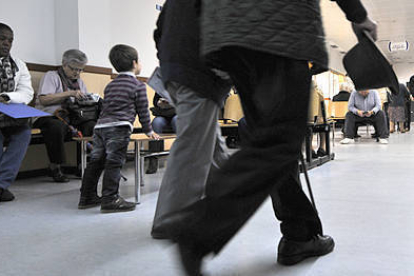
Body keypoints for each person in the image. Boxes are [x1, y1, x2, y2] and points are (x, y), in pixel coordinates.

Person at [160, 0, 378, 275]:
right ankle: (198, 227)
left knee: (268, 139)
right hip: (278, 29)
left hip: (229, 35)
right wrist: (358, 16)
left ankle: (299, 234)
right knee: (280, 142)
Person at [151, 0, 231, 238]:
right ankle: (171, 219)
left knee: (212, 145)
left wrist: (169, 62)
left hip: (174, 71)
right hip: (199, 73)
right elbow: (225, 27)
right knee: (192, 147)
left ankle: (227, 203)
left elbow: (159, 31)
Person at [78, 44, 159, 213]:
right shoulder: (138, 85)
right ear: (135, 63)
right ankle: (110, 199)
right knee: (114, 162)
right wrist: (149, 130)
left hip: (100, 127)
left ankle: (86, 197)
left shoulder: (110, 85)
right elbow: (143, 109)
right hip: (119, 127)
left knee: (96, 162)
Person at [34, 49, 97, 182]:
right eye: (74, 69)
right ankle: (54, 167)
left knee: (90, 124)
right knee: (56, 126)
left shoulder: (79, 82)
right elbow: (44, 100)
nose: (77, 73)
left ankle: (83, 164)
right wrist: (69, 94)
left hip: (71, 117)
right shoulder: (51, 76)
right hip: (47, 116)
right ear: (64, 64)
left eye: (80, 70)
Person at [0, 23, 33, 202]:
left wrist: (7, 97)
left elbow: (27, 92)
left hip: (11, 116)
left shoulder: (19, 65)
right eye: (2, 39)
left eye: (10, 40)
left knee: (24, 133)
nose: (7, 43)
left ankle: (1, 184)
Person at [146, 92, 177, 174]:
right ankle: (153, 159)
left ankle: (182, 158)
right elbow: (155, 100)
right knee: (156, 123)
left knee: (177, 121)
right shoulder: (161, 84)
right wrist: (158, 103)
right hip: (163, 114)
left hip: (177, 113)